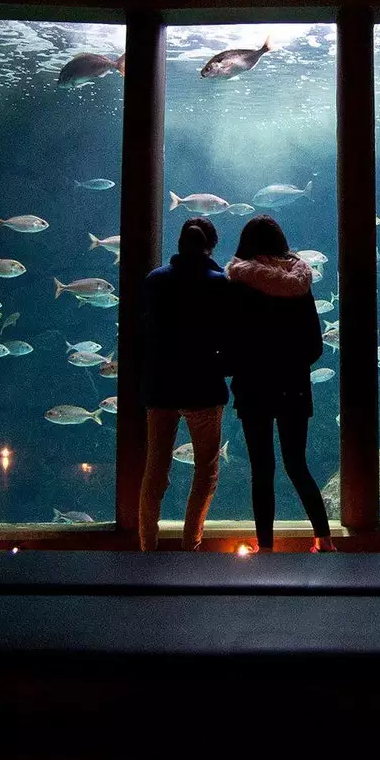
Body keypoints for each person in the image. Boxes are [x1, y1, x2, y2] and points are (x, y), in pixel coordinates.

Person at [225, 215, 335, 552]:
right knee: (296, 464)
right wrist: (290, 365)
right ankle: (324, 539)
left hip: (253, 386)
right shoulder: (299, 286)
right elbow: (315, 346)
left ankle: (266, 548)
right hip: (294, 387)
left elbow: (230, 342)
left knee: (262, 468)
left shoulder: (239, 285)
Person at [139, 217, 231, 552]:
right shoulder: (220, 283)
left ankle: (146, 546)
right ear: (210, 246)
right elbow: (228, 335)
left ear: (179, 244)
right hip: (203, 388)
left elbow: (143, 332)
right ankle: (190, 544)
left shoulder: (154, 280)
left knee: (155, 468)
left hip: (160, 387)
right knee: (205, 470)